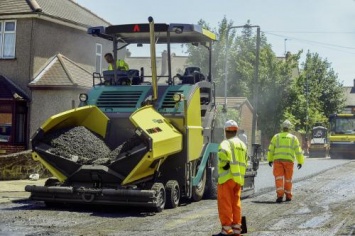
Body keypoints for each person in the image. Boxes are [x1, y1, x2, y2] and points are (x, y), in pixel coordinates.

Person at [213, 120, 248, 236]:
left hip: (226, 178)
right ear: (236, 131)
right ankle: (237, 229)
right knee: (236, 203)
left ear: (226, 131)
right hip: (238, 179)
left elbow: (222, 154)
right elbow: (245, 161)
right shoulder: (242, 145)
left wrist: (224, 164)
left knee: (225, 203)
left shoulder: (226, 143)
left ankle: (227, 230)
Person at [267, 119, 305, 203]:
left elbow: (271, 150)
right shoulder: (293, 138)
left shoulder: (276, 137)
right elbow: (298, 151)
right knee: (288, 179)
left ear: (282, 127)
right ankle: (288, 196)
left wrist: (270, 160)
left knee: (279, 178)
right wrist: (300, 161)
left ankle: (280, 196)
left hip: (278, 161)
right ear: (289, 128)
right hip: (289, 161)